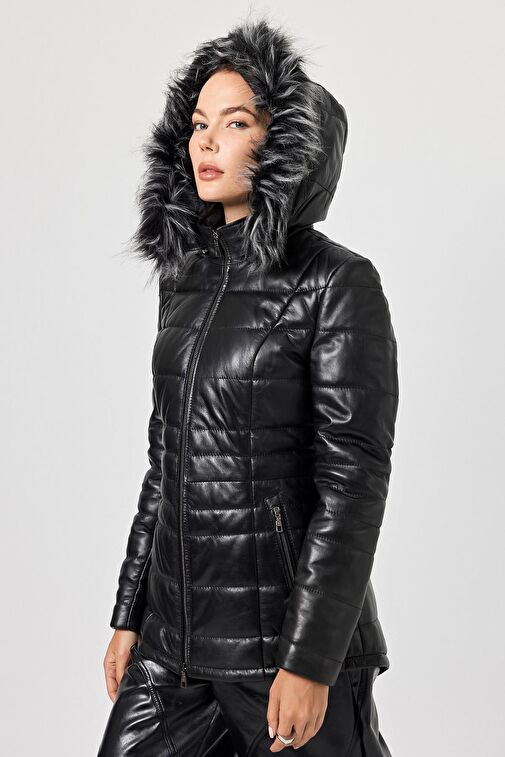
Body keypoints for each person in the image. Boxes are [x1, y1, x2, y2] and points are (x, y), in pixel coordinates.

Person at [98, 15, 399, 757]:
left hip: (280, 649)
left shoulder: (337, 283)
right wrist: (130, 610)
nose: (206, 142)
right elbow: (165, 461)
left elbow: (352, 485)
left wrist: (311, 659)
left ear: (286, 144)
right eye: (199, 124)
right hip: (174, 646)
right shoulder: (184, 278)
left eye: (234, 123)